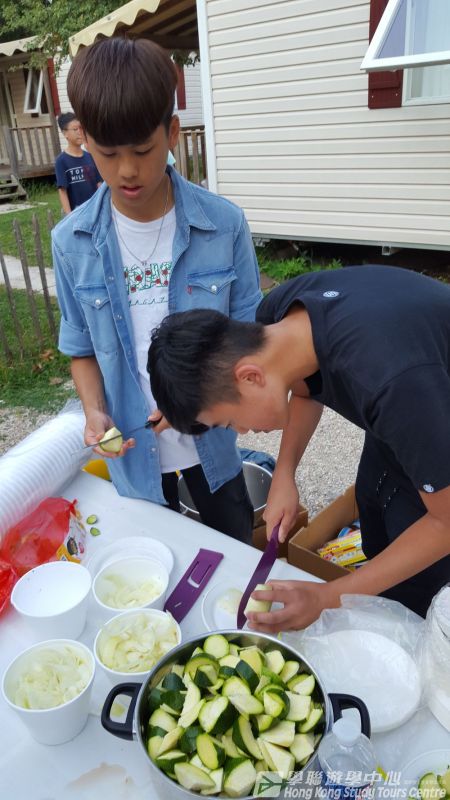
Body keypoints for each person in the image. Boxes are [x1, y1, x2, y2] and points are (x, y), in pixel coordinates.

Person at [148, 264, 450, 628]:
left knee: (424, 596)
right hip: (407, 427)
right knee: (377, 534)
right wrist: (284, 473)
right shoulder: (280, 317)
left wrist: (326, 597)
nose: (242, 431)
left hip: (433, 432)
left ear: (250, 377)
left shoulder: (391, 382)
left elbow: (445, 523)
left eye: (229, 421)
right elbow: (307, 388)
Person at [53, 38, 261, 544]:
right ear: (86, 140)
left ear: (171, 133)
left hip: (212, 446)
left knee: (234, 548)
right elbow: (81, 347)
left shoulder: (223, 224)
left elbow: (250, 336)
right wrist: (94, 411)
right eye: (108, 153)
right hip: (131, 456)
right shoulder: (71, 241)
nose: (127, 170)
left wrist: (195, 396)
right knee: (152, 564)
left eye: (142, 151)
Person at [55, 112, 102, 213]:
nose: (79, 132)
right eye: (75, 129)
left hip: (95, 211)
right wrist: (70, 217)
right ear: (65, 133)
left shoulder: (91, 157)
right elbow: (62, 191)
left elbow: (99, 184)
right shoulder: (61, 161)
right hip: (77, 213)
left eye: (81, 128)